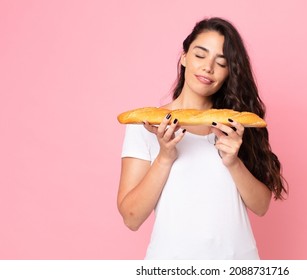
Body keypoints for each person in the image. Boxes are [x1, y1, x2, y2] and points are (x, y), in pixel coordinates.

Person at [117, 17, 287, 260]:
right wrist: (165, 157)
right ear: (184, 56)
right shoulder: (144, 126)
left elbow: (261, 206)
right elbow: (131, 218)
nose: (208, 67)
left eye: (221, 62)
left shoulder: (235, 125)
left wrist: (233, 161)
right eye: (200, 55)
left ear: (230, 72)